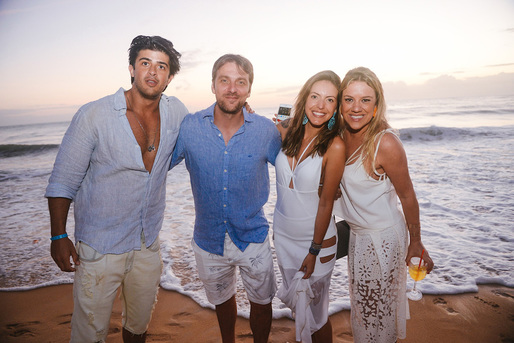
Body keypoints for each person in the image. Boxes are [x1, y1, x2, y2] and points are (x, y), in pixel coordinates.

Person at [45, 35, 188, 343]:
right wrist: (58, 235)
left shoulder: (176, 112)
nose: (152, 72)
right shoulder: (93, 116)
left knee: (138, 327)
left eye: (161, 66)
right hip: (100, 246)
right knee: (89, 333)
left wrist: (242, 114)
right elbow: (62, 180)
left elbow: (194, 142)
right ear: (131, 69)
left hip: (147, 243)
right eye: (145, 63)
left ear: (170, 76)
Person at [170, 54, 281, 343]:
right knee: (222, 300)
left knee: (262, 301)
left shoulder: (265, 130)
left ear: (249, 89)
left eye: (240, 82)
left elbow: (294, 171)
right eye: (225, 81)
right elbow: (154, 164)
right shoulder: (189, 127)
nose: (232, 89)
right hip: (208, 238)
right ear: (213, 85)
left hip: (253, 237)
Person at [333, 67, 434, 343]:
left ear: (376, 105)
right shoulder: (339, 136)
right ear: (340, 102)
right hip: (357, 236)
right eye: (349, 99)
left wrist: (417, 242)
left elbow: (408, 197)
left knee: (376, 313)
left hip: (384, 239)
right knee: (365, 308)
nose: (356, 108)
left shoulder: (385, 143)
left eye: (365, 100)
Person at [273, 70, 346, 343]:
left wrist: (313, 250)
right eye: (315, 96)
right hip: (283, 237)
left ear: (337, 107)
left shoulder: (334, 146)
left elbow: (327, 202)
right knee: (299, 310)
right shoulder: (288, 133)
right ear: (304, 99)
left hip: (315, 244)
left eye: (329, 100)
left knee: (316, 316)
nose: (320, 105)